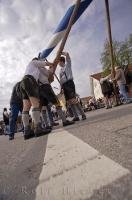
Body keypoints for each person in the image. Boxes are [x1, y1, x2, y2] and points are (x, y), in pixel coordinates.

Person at [20, 58, 51, 140]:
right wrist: (52, 64)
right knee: (35, 104)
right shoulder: (34, 62)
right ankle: (38, 128)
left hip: (23, 82)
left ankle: (27, 131)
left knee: (26, 107)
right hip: (30, 80)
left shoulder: (31, 68)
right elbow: (45, 63)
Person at [38, 63, 74, 127]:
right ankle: (64, 121)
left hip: (39, 89)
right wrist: (51, 67)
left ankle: (47, 125)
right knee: (57, 104)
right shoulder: (41, 68)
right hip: (46, 87)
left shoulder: (34, 71)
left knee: (43, 108)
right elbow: (49, 73)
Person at [58, 52, 86, 121]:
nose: (58, 64)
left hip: (69, 84)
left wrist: (61, 53)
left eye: (58, 62)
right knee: (70, 102)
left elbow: (67, 55)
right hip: (64, 86)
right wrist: (61, 89)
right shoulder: (60, 71)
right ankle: (76, 116)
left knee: (73, 100)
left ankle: (83, 114)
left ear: (61, 61)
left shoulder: (67, 65)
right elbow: (60, 81)